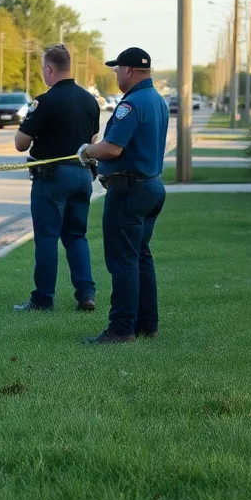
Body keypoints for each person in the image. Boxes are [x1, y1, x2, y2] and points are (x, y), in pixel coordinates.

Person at [77, 47, 169, 344]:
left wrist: (87, 151)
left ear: (129, 70)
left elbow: (112, 147)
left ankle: (121, 329)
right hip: (150, 186)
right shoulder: (157, 100)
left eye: (117, 69)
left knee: (123, 260)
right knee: (141, 256)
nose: (115, 73)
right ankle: (147, 324)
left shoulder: (131, 104)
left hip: (129, 190)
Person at [12, 44, 100, 313]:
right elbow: (93, 140)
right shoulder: (89, 100)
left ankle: (43, 299)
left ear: (49, 68)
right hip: (82, 174)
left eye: (42, 68)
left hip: (51, 178)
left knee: (47, 238)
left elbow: (19, 143)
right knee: (76, 236)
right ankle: (86, 293)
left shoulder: (44, 101)